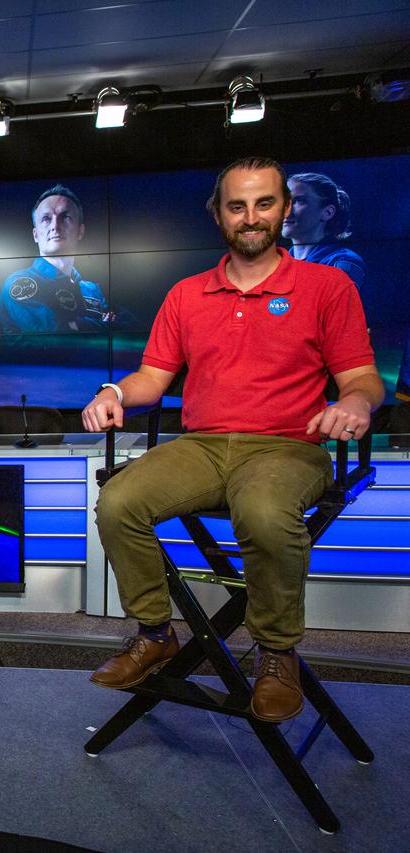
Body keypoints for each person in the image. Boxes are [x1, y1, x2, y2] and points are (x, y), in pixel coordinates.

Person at [82, 157, 382, 722]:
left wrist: (355, 402)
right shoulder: (187, 294)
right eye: (237, 206)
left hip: (289, 447)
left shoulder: (327, 285)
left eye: (264, 203)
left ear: (284, 209)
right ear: (218, 214)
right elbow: (152, 378)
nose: (251, 217)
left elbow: (362, 377)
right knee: (118, 501)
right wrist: (113, 392)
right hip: (202, 446)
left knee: (263, 511)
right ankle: (155, 635)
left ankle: (277, 654)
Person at [0, 185, 121, 333]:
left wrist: (76, 324)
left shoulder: (92, 290)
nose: (55, 226)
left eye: (65, 217)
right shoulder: (19, 283)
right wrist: (102, 326)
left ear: (80, 231)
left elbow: (130, 326)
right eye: (46, 219)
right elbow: (53, 331)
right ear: (35, 234)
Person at [283, 172, 365, 289]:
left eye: (300, 201)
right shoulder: (278, 266)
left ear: (328, 212)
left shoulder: (343, 261)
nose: (286, 210)